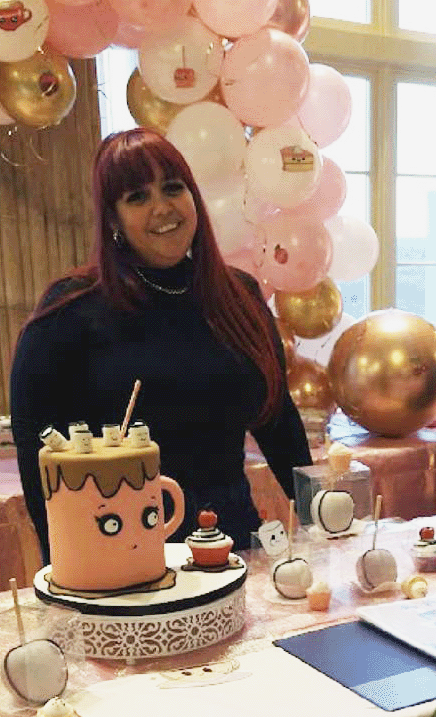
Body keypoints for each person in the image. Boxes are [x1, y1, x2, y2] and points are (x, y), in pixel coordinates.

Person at [11, 127, 312, 563]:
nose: (162, 208)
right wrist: (66, 566)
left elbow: (279, 421)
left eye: (174, 188)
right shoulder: (69, 310)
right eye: (137, 197)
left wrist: (323, 517)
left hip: (235, 547)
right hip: (124, 557)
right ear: (112, 218)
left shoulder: (239, 296)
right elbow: (37, 453)